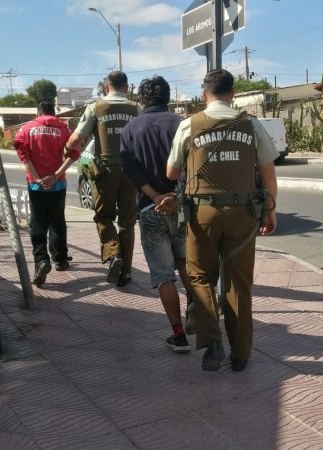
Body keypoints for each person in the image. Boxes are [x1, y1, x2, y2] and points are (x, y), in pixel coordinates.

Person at [166, 69, 279, 372]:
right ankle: (240, 355)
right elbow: (268, 171)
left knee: (200, 275)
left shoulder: (189, 125)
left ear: (204, 94)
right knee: (239, 283)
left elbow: (172, 173)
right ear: (233, 94)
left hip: (202, 214)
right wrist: (271, 210)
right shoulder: (251, 124)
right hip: (243, 214)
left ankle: (211, 340)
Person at [120, 75, 194, 353]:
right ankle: (194, 314)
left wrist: (154, 197)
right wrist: (174, 195)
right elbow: (191, 165)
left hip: (150, 210)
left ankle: (178, 334)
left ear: (141, 99)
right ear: (168, 98)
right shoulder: (182, 124)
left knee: (163, 276)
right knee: (186, 264)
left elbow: (130, 168)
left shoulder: (130, 129)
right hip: (182, 208)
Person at [65, 71, 140, 286]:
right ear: (127, 88)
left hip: (106, 172)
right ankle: (126, 272)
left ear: (106, 87)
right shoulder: (136, 108)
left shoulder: (95, 108)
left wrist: (67, 147)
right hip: (131, 171)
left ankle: (113, 253)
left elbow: (78, 138)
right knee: (127, 223)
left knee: (103, 217)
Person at [14, 102, 80, 287]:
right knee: (57, 220)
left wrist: (37, 178)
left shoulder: (25, 129)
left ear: (38, 113)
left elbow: (24, 156)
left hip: (36, 185)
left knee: (37, 222)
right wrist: (55, 176)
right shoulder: (64, 129)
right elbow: (74, 154)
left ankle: (41, 259)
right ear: (53, 113)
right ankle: (60, 259)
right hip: (58, 184)